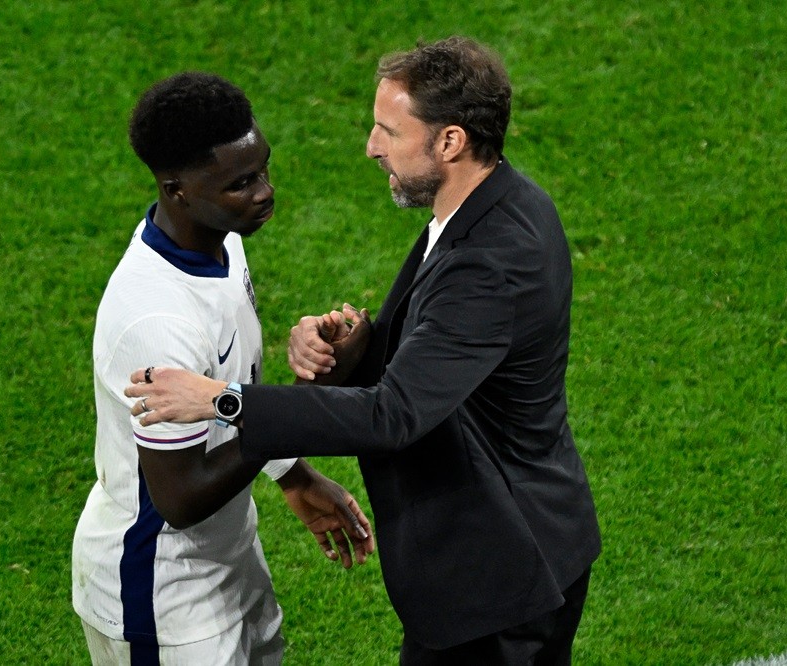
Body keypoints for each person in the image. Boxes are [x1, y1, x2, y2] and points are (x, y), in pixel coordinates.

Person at [125, 37, 602, 665]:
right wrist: (360, 347)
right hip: (501, 556)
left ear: (450, 141)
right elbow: (452, 361)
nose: (371, 146)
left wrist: (223, 401)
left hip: (501, 580)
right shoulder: (493, 206)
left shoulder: (489, 263)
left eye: (387, 130)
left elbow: (391, 417)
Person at [71, 71, 374, 666]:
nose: (263, 191)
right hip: (164, 595)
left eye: (262, 168)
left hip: (227, 559)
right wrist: (290, 416)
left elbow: (233, 391)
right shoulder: (155, 321)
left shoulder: (221, 242)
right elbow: (180, 497)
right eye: (240, 183)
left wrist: (293, 474)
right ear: (176, 189)